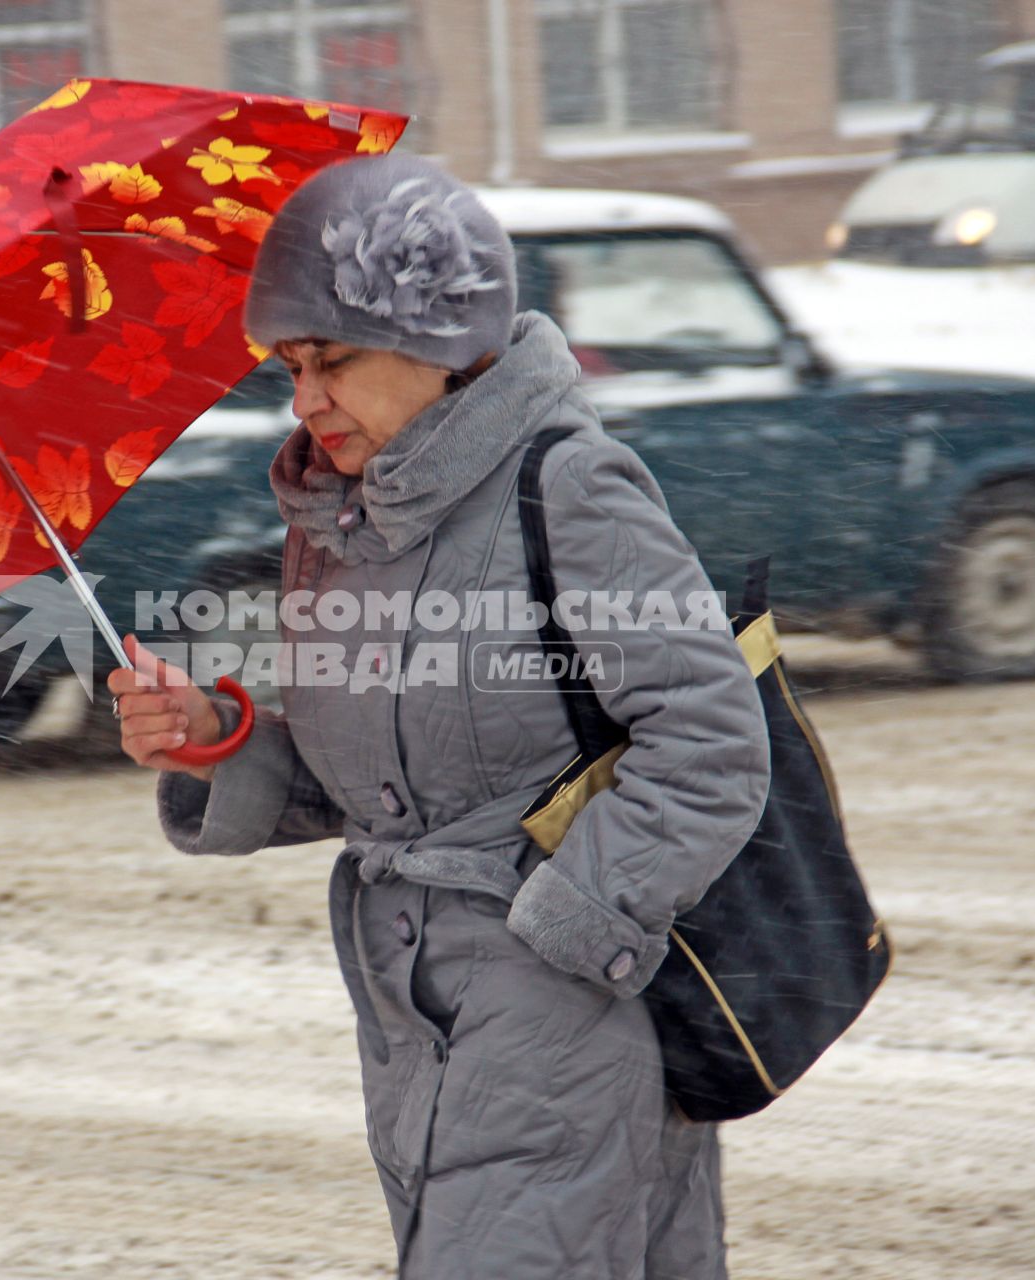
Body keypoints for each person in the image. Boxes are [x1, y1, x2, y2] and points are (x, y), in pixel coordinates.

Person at [106, 154, 771, 1279]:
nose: (306, 399)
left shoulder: (566, 486)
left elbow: (709, 739)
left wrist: (564, 932)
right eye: (290, 367)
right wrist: (212, 734)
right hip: (408, 1022)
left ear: (439, 344)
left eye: (336, 361)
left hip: (563, 1019)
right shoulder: (335, 527)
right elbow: (369, 780)